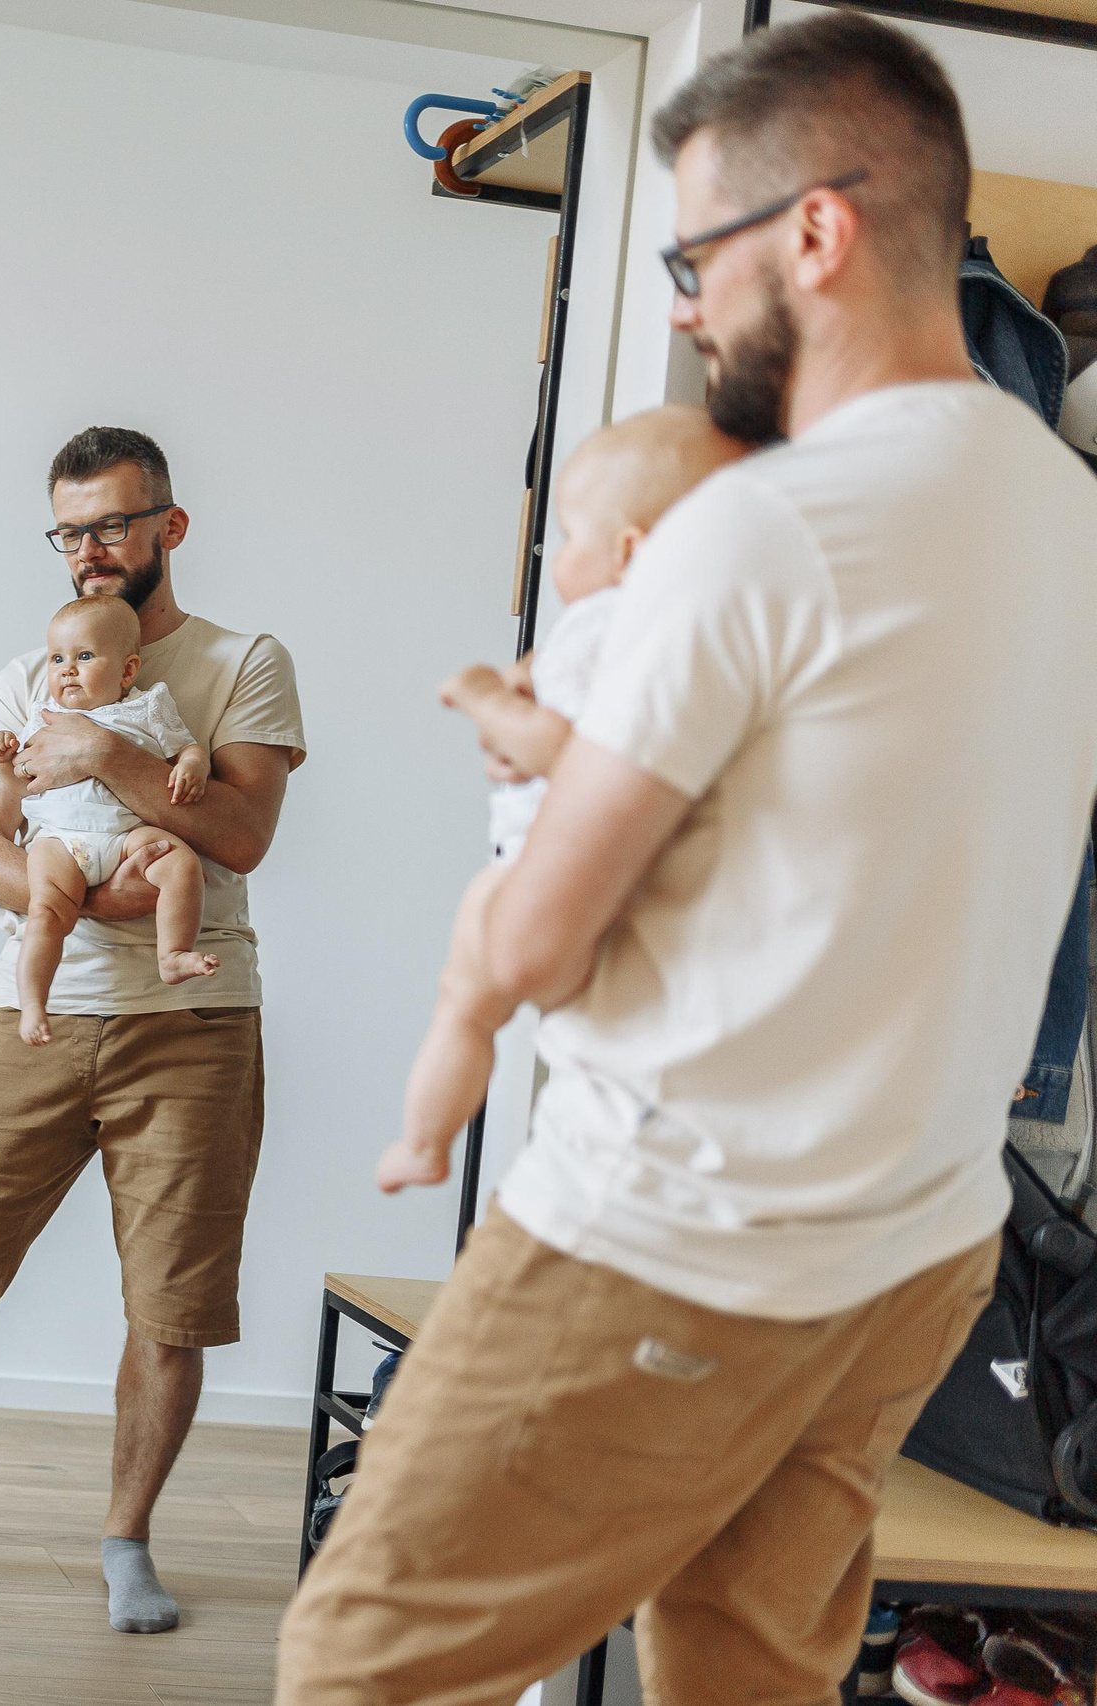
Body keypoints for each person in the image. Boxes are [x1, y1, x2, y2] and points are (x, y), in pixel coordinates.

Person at [281, 15, 1097, 1701]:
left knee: (364, 1659)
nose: (676, 300)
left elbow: (554, 937)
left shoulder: (765, 530)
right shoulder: (1062, 512)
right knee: (743, 1671)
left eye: (692, 252)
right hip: (922, 1246)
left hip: (684, 1233)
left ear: (818, 230)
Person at [0, 425, 306, 1634]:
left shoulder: (243, 659)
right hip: (32, 1013)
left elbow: (241, 836)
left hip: (194, 1020)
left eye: (111, 525)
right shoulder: (20, 673)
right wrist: (79, 889)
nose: (89, 550)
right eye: (69, 528)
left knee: (172, 1306)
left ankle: (126, 1539)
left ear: (168, 528)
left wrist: (99, 756)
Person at [382, 407, 748, 1192]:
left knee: (464, 1008)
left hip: (538, 869)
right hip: (628, 881)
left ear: (630, 549)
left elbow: (563, 752)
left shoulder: (605, 622)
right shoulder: (691, 630)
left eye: (571, 537)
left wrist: (483, 696)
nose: (557, 558)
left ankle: (423, 1142)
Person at [0, 592, 218, 1046]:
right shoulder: (42, 716)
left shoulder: (147, 707)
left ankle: (172, 955)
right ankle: (33, 1000)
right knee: (45, 912)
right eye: (57, 658)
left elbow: (186, 747)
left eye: (84, 656)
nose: (66, 669)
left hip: (126, 834)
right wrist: (2, 763)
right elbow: (20, 785)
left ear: (127, 670)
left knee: (180, 863)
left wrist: (193, 765)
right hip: (60, 840)